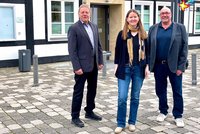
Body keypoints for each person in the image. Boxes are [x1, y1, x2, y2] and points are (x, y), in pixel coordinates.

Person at [148, 6, 188, 127]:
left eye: (167, 13)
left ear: (171, 14)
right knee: (160, 90)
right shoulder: (153, 28)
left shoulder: (180, 28)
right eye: (162, 13)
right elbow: (149, 48)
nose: (165, 15)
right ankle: (163, 111)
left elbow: (184, 48)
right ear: (160, 15)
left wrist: (181, 67)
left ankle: (178, 115)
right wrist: (150, 65)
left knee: (177, 91)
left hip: (175, 66)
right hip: (159, 66)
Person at [68, 4, 104, 128]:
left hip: (93, 65)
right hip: (81, 67)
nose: (85, 14)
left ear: (89, 14)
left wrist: (100, 61)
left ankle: (89, 111)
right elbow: (72, 50)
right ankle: (75, 116)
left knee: (92, 90)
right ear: (79, 14)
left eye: (87, 12)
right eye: (82, 12)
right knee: (78, 92)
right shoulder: (74, 28)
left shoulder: (94, 26)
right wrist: (76, 67)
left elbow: (98, 46)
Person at [114, 9, 150, 133]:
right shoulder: (122, 34)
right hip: (125, 69)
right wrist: (116, 66)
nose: (133, 19)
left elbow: (148, 53)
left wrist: (147, 67)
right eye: (131, 17)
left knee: (135, 97)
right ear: (127, 19)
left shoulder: (144, 35)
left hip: (139, 69)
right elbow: (117, 51)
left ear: (138, 19)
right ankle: (120, 123)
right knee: (122, 97)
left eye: (135, 17)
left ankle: (132, 122)